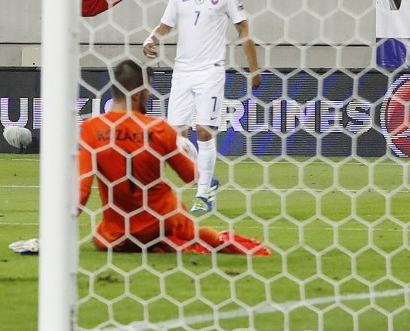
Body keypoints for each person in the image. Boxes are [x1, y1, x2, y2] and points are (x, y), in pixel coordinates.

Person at [78, 59, 270, 255]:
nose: (149, 94)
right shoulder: (159, 129)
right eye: (147, 90)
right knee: (193, 234)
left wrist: (54, 235)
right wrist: (188, 153)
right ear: (136, 95)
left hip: (117, 235)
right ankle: (221, 242)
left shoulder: (91, 129)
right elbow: (190, 176)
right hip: (162, 224)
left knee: (100, 237)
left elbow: (82, 191)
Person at [142, 0, 262, 213]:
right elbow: (166, 24)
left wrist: (254, 69)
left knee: (205, 132)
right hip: (182, 71)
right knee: (175, 138)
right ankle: (207, 179)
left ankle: (203, 193)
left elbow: (243, 29)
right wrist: (152, 40)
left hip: (211, 71)